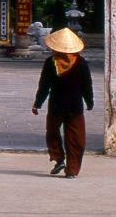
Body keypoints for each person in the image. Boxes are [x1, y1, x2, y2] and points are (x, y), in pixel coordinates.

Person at [31, 27, 93, 178]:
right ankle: (71, 170)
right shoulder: (81, 62)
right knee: (75, 139)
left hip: (56, 105)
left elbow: (44, 85)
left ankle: (59, 159)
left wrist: (37, 103)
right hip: (75, 106)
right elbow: (87, 85)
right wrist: (89, 101)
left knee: (52, 133)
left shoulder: (51, 62)